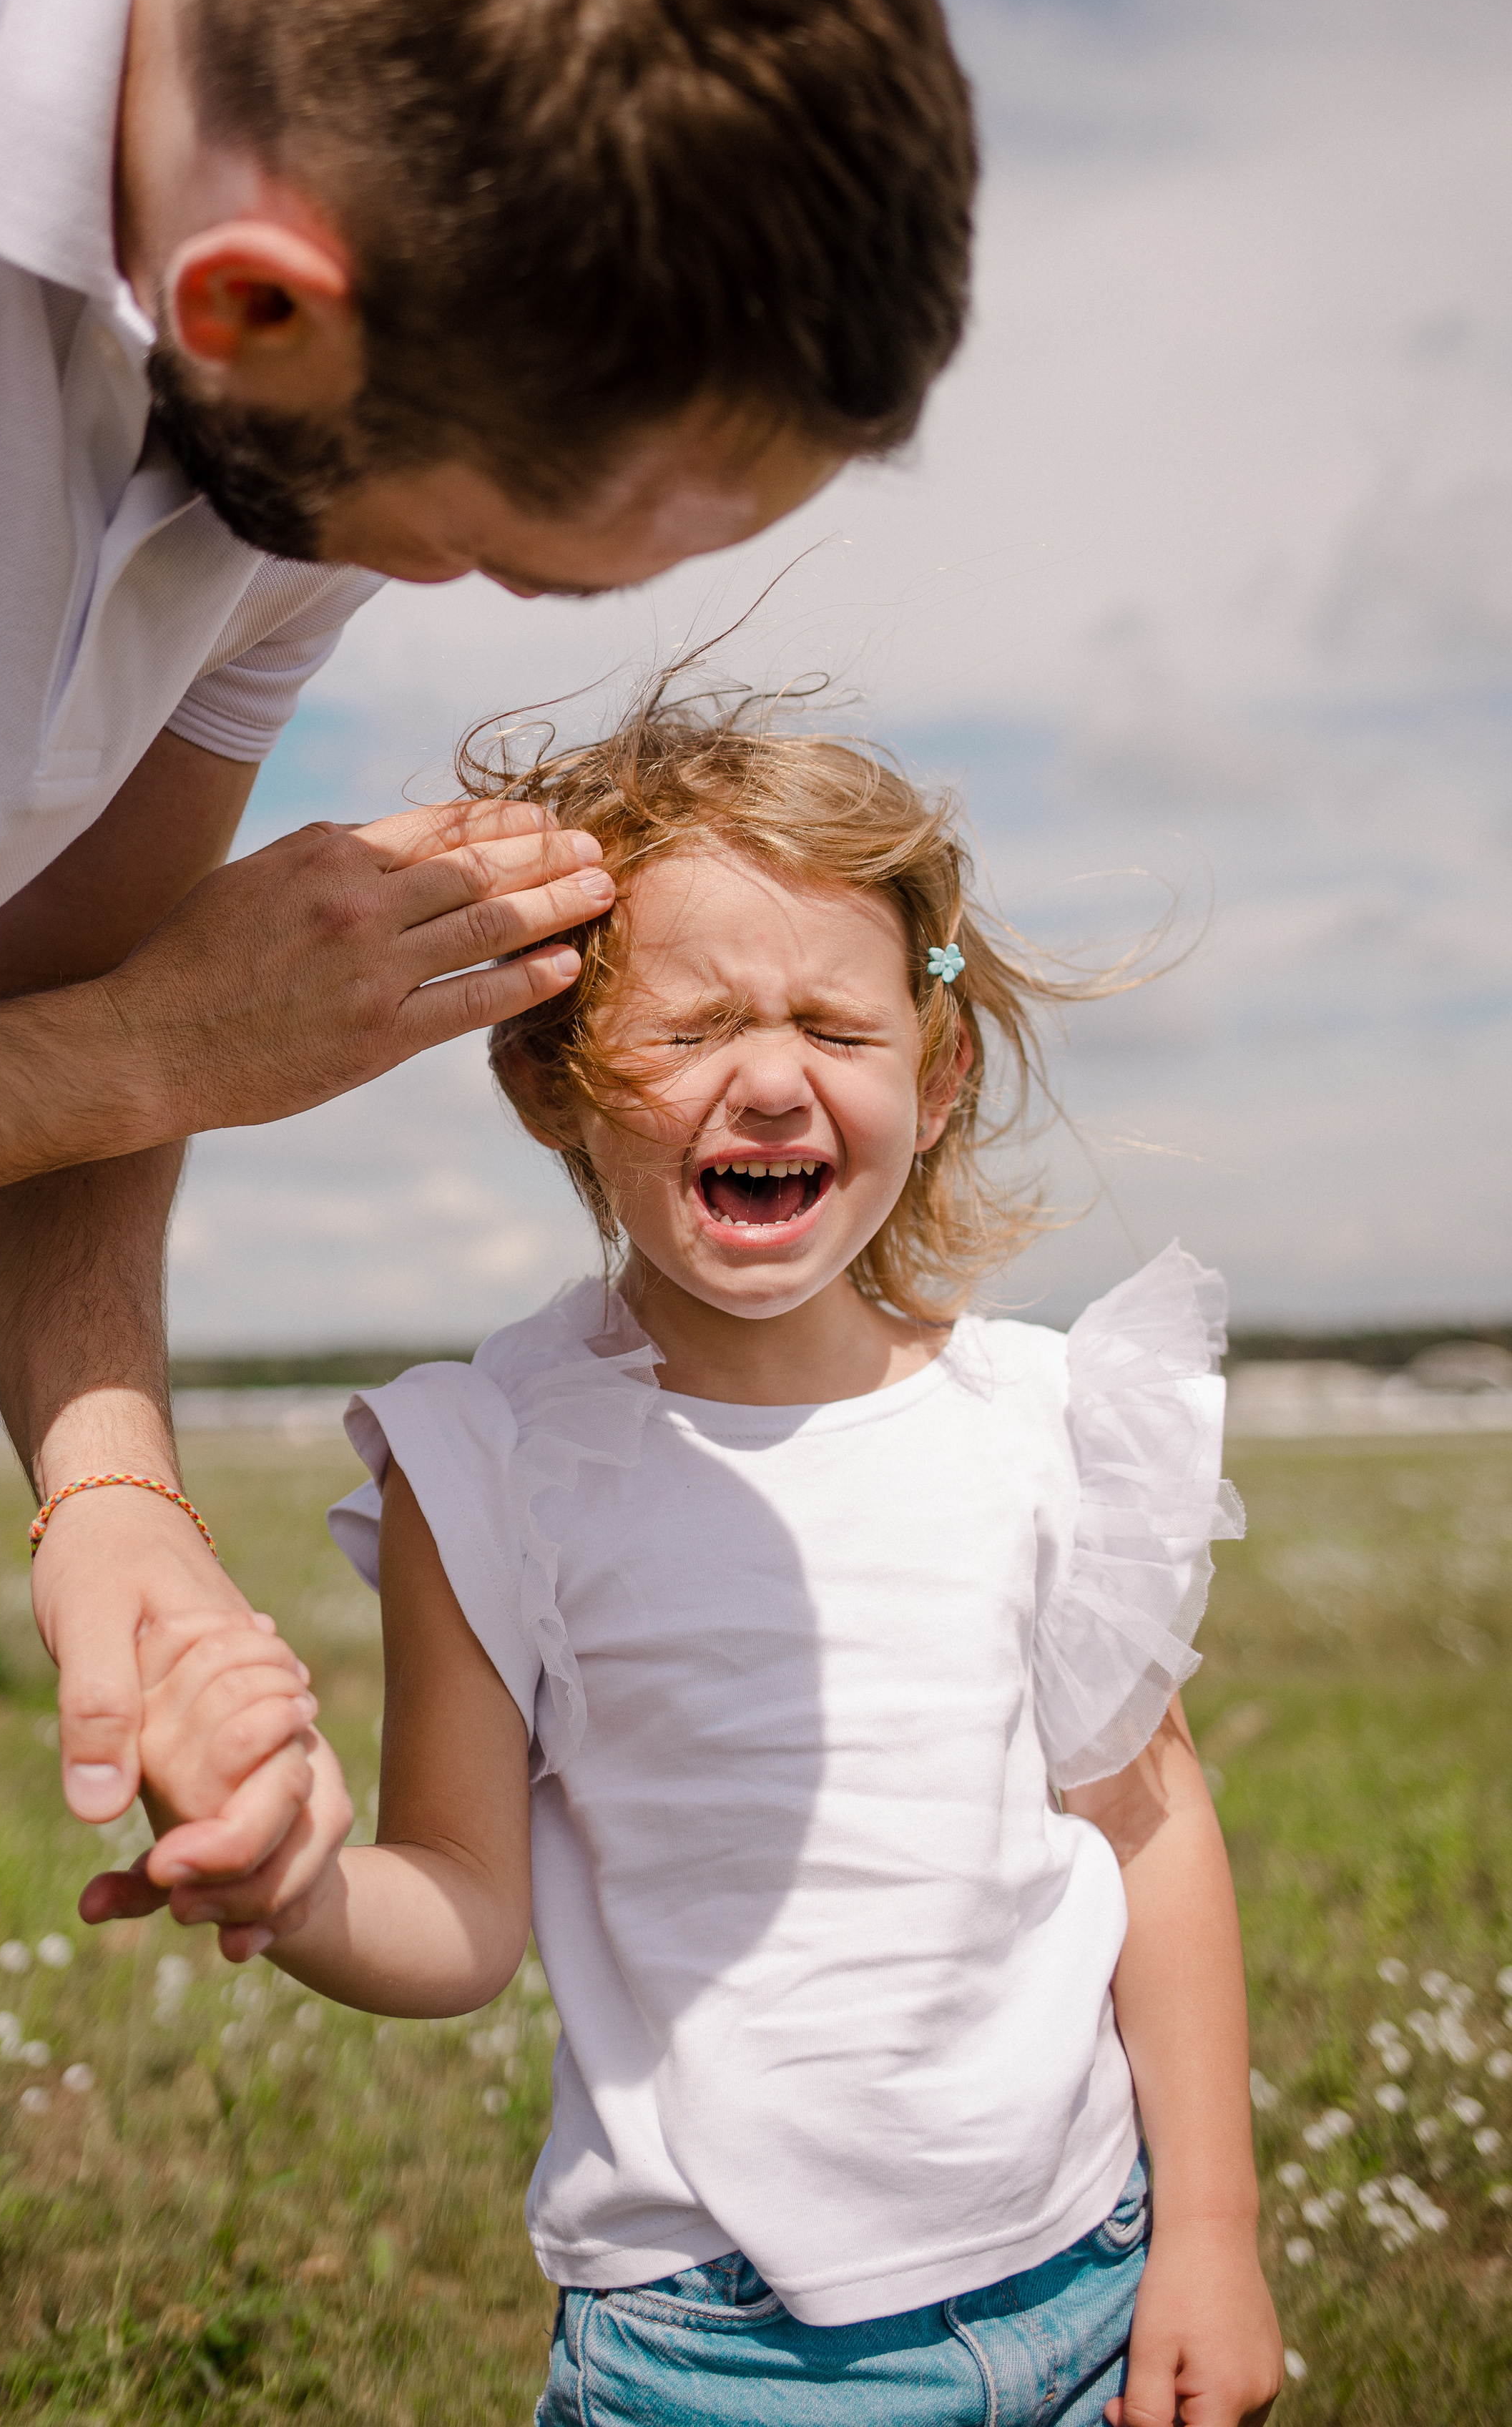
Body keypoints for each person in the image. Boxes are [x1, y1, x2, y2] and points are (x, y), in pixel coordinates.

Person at [0, 0, 980, 2408]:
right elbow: (104, 1039)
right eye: (486, 554)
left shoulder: (272, 357)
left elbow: (53, 1002)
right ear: (266, 301)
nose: (458, 600)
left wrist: (114, 1496)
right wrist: (160, 1045)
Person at [105, 696, 1285, 2424]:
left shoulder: (1039, 1419)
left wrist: (1213, 2233)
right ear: (551, 1078)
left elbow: (1146, 1834)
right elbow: (458, 1914)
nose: (771, 1076)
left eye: (833, 1022)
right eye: (694, 1024)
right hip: (717, 2353)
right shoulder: (492, 1460)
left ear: (934, 1072)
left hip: (1090, 2270)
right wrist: (294, 1888)